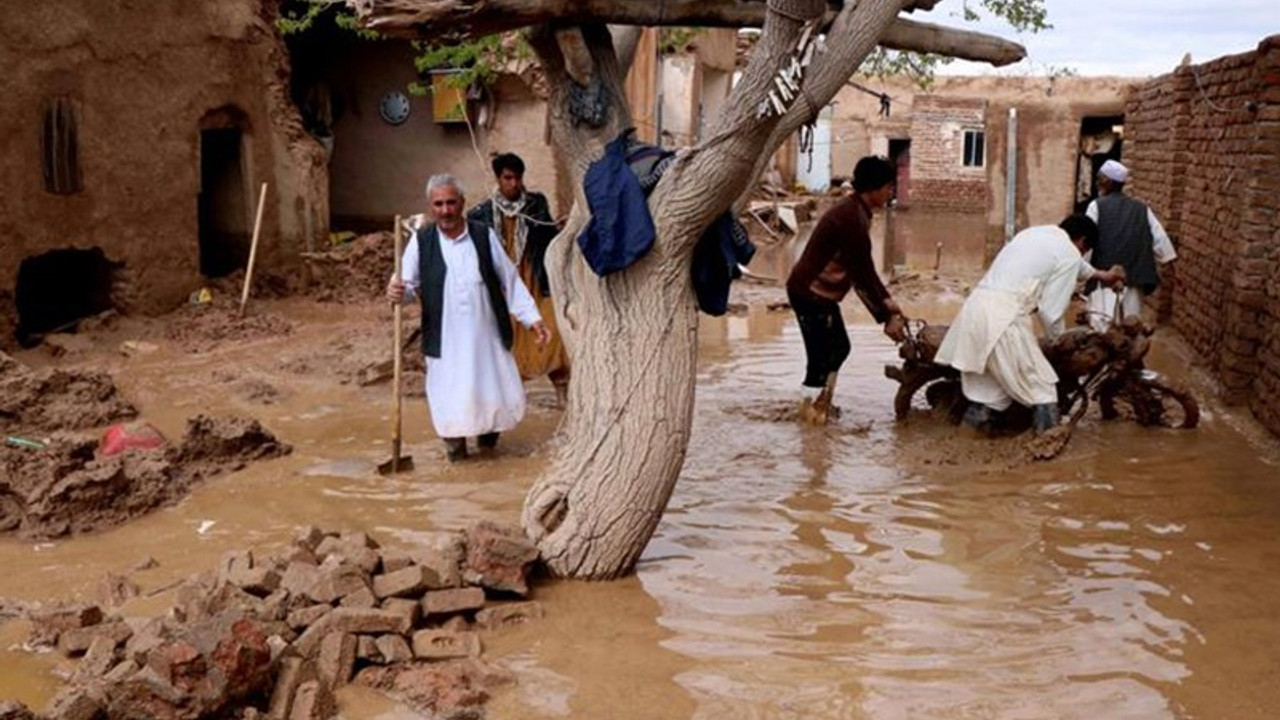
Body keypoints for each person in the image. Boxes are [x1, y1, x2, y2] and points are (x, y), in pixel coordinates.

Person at [386, 174, 550, 462]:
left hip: (485, 336)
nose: (446, 210)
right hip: (445, 340)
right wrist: (397, 291)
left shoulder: (483, 235)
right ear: (430, 207)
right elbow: (407, 287)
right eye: (439, 204)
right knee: (450, 399)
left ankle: (489, 451)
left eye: (451, 202)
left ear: (462, 203)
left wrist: (532, 319)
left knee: (491, 397)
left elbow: (509, 281)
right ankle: (457, 455)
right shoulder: (421, 242)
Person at [934, 215, 1126, 434]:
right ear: (1082, 241)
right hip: (1005, 320)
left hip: (975, 312)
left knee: (990, 396)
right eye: (1084, 250)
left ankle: (962, 447)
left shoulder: (1034, 235)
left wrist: (1104, 276)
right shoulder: (1069, 254)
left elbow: (1074, 264)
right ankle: (1045, 456)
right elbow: (1050, 312)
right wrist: (1061, 344)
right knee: (1043, 390)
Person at [785, 155, 908, 416]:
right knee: (821, 358)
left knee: (839, 348)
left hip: (819, 294)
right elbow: (862, 273)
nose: (890, 193)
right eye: (888, 187)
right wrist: (886, 316)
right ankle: (810, 416)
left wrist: (887, 303)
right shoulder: (850, 219)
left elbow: (864, 269)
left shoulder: (857, 211)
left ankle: (820, 405)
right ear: (873, 188)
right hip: (810, 293)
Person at [467, 153, 571, 408]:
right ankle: (509, 401)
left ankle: (562, 395)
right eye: (508, 178)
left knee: (552, 331)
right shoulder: (481, 213)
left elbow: (548, 239)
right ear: (498, 179)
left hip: (535, 280)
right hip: (502, 287)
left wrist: (562, 230)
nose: (513, 183)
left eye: (517, 177)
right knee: (505, 341)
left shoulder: (535, 205)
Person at [1084, 159, 1177, 330]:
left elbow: (1087, 241)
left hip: (1105, 276)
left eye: (1100, 178)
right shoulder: (1142, 209)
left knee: (1101, 324)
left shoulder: (1096, 206)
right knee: (1130, 323)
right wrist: (1167, 261)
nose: (1097, 182)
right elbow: (1160, 239)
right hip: (1134, 277)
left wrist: (1084, 270)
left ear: (1108, 182)